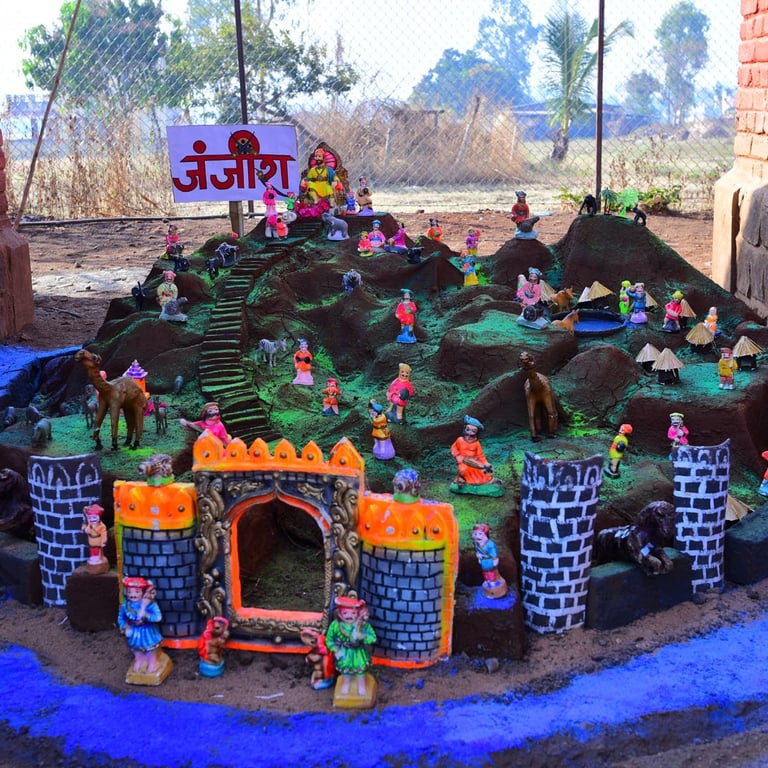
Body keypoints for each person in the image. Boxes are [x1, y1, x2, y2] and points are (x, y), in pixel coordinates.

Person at [325, 596, 376, 698]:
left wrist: (363, 636)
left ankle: (361, 685)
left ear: (358, 613)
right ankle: (346, 684)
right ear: (340, 614)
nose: (349, 616)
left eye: (353, 613)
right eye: (345, 613)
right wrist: (336, 650)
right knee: (345, 669)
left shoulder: (363, 625)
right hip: (344, 652)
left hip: (358, 652)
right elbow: (329, 640)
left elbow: (372, 638)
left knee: (360, 669)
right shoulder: (335, 625)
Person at [118, 576, 166, 675]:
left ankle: (153, 662)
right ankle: (139, 659)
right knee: (135, 648)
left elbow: (158, 617)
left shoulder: (150, 605)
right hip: (134, 630)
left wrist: (146, 614)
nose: (132, 595)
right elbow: (121, 617)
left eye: (136, 592)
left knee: (149, 648)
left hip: (147, 631)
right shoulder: (126, 605)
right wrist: (124, 627)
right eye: (129, 592)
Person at [450, 416, 503, 496]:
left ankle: (490, 481)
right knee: (463, 470)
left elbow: (481, 455)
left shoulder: (477, 444)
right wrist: (458, 456)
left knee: (484, 471)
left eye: (473, 431)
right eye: (468, 430)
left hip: (475, 462)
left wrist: (485, 463)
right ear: (464, 429)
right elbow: (453, 448)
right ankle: (461, 480)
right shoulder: (459, 440)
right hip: (463, 461)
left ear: (476, 433)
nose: (470, 433)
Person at [471, 523, 507, 598]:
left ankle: (493, 583)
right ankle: (488, 582)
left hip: (489, 561)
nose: (477, 536)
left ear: (485, 534)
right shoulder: (477, 544)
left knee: (491, 573)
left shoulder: (490, 544)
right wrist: (479, 557)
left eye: (480, 534)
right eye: (475, 534)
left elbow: (494, 555)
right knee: (485, 573)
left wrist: (495, 561)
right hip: (483, 562)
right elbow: (478, 551)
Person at [81, 503, 108, 572]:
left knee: (98, 550)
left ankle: (99, 558)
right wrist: (85, 529)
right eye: (90, 518)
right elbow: (83, 526)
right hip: (91, 541)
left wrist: (103, 541)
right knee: (92, 550)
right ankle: (93, 557)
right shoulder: (88, 524)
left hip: (98, 541)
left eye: (94, 517)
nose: (92, 519)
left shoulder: (102, 526)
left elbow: (104, 534)